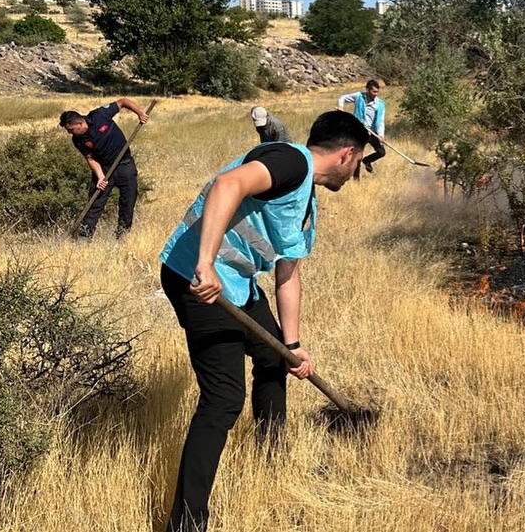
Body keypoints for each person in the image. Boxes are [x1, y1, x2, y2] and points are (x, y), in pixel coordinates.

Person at [159, 109, 368, 532]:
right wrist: (205, 264)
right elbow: (228, 184)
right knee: (223, 399)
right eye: (359, 163)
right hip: (198, 280)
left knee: (274, 359)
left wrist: (292, 345)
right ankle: (187, 523)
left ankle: (270, 457)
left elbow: (288, 273)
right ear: (347, 154)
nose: (355, 173)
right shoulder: (290, 162)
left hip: (236, 283)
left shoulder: (304, 193)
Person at [59, 97, 149, 238]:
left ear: (79, 123)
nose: (70, 133)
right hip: (104, 170)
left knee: (128, 200)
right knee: (95, 203)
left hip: (125, 165)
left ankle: (122, 235)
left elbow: (123, 102)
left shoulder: (99, 115)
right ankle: (84, 236)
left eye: (70, 129)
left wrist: (140, 113)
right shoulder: (77, 140)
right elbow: (90, 158)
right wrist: (100, 176)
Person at [337, 79, 385, 177]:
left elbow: (380, 122)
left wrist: (381, 134)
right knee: (357, 155)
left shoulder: (380, 104)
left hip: (372, 131)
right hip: (359, 131)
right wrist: (341, 107)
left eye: (377, 92)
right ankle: (356, 179)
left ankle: (367, 161)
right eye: (374, 92)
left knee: (381, 152)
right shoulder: (358, 96)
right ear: (367, 90)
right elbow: (342, 98)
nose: (376, 94)